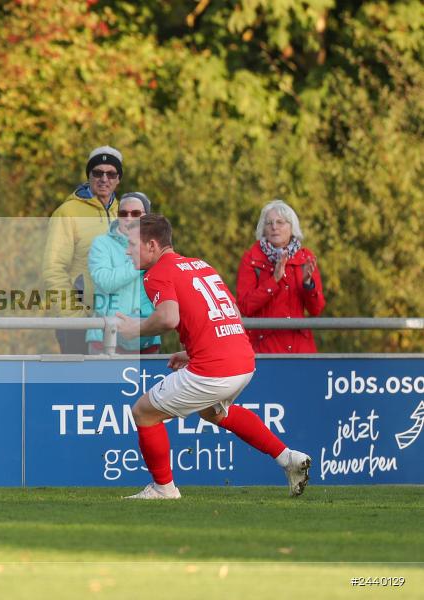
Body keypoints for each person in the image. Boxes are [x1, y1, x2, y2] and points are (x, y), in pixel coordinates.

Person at [116, 214, 311, 500]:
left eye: (132, 244)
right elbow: (227, 312)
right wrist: (192, 349)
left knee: (143, 412)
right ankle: (289, 459)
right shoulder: (200, 265)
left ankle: (163, 489)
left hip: (215, 369)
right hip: (243, 360)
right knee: (214, 412)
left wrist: (136, 329)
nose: (127, 250)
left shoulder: (156, 273)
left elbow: (168, 318)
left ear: (152, 245)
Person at [42, 146, 122, 353]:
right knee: (79, 383)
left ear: (118, 179)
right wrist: (73, 316)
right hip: (79, 321)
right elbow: (53, 268)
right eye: (98, 172)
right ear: (89, 175)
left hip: (116, 321)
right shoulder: (67, 212)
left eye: (111, 173)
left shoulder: (123, 212)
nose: (104, 178)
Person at [236, 199, 325, 353]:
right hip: (264, 351)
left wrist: (308, 284)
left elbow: (316, 309)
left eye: (280, 222)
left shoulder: (305, 258)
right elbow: (245, 307)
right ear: (263, 229)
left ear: (292, 228)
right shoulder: (251, 259)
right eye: (269, 223)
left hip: (300, 351)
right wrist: (274, 280)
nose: (274, 227)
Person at [86, 192, 160, 354]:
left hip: (147, 337)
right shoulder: (101, 243)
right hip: (105, 336)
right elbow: (105, 282)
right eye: (123, 213)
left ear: (147, 216)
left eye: (135, 213)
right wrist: (139, 260)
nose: (128, 217)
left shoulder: (156, 245)